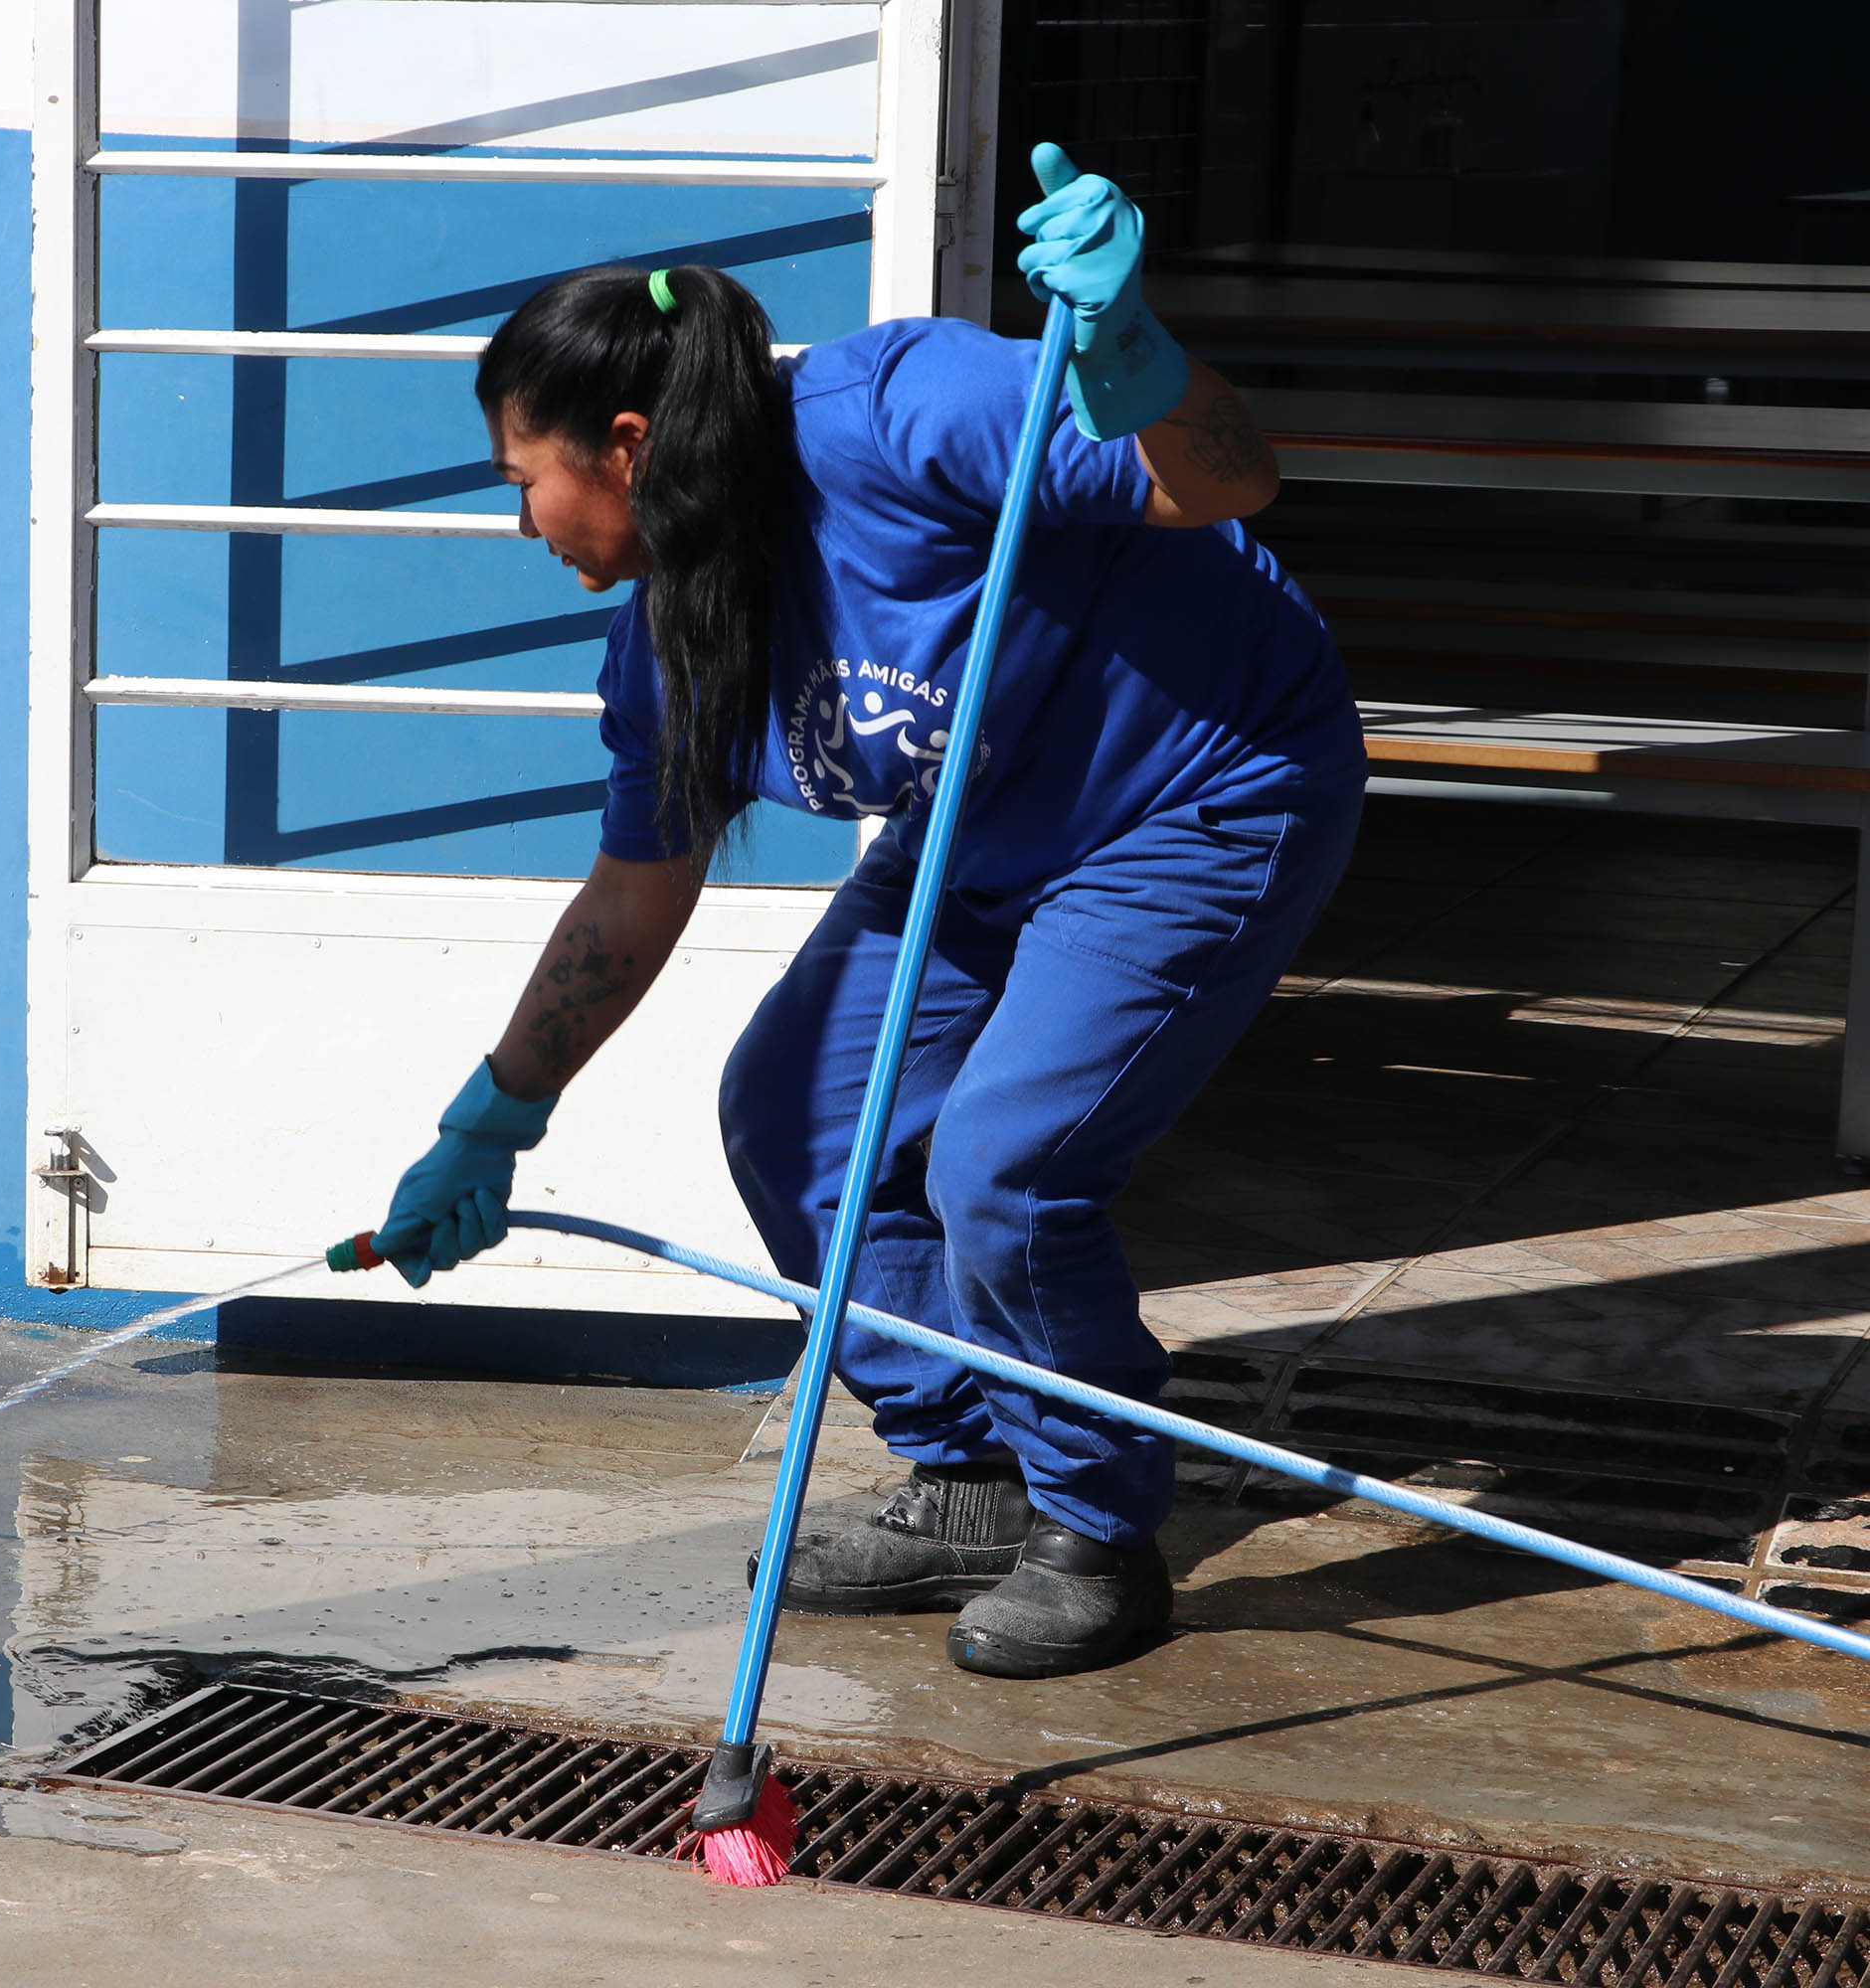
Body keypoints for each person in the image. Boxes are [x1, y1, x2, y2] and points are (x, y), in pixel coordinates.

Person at [367, 145, 1366, 1680]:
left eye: (523, 480)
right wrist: (497, 1115)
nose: (524, 524)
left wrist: (1134, 355)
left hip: (1197, 794)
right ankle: (970, 1474)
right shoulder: (675, 641)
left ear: (623, 448)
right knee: (795, 1118)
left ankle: (1095, 1525)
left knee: (1005, 1165)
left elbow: (1222, 479)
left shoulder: (900, 412)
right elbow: (638, 887)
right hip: (981, 835)